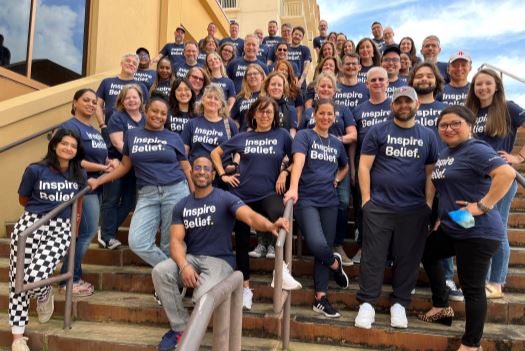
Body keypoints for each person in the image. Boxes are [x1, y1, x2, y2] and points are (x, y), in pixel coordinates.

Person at [151, 155, 290, 350]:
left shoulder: (224, 198)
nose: (201, 171)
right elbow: (175, 241)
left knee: (202, 297)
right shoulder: (182, 205)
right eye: (197, 168)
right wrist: (183, 266)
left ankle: (190, 340)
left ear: (213, 174)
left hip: (219, 261)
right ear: (191, 173)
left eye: (206, 169)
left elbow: (249, 216)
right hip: (192, 257)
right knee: (160, 272)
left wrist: (269, 225)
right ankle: (180, 328)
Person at [418, 105, 515, 351]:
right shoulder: (448, 152)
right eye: (443, 125)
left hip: (479, 228)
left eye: (455, 123)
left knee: (472, 287)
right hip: (458, 222)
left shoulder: (476, 149)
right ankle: (441, 306)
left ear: (469, 125)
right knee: (428, 253)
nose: (448, 128)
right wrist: (443, 214)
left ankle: (471, 345)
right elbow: (449, 187)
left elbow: (506, 173)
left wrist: (482, 205)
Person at [355, 86, 438, 330]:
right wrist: (366, 200)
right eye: (399, 101)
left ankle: (400, 303)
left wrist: (428, 204)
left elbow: (431, 172)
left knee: (408, 258)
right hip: (379, 205)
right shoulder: (377, 130)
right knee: (373, 256)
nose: (404, 105)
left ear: (417, 105)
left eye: (408, 101)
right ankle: (367, 303)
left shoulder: (428, 135)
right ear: (393, 105)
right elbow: (363, 167)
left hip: (414, 208)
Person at [211, 97, 301, 308]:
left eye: (269, 112)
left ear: (275, 115)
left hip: (268, 192)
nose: (264, 115)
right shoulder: (243, 137)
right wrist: (223, 174)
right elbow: (216, 153)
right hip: (242, 195)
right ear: (253, 114)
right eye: (260, 111)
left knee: (281, 217)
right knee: (241, 241)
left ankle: (282, 270)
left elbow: (297, 159)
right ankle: (245, 289)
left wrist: (285, 172)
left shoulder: (282, 135)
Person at [88, 96, 193, 268]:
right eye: (155, 111)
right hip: (147, 194)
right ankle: (177, 272)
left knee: (170, 243)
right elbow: (124, 166)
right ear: (146, 111)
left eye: (163, 113)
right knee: (137, 242)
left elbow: (187, 168)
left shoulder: (174, 137)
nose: (159, 116)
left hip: (175, 190)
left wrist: (195, 196)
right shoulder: (132, 135)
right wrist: (99, 181)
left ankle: (168, 286)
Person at [9, 129, 86, 351]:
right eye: (64, 144)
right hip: (30, 225)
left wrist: (75, 228)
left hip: (61, 228)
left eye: (73, 146)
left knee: (33, 277)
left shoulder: (78, 174)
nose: (68, 148)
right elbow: (24, 198)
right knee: (18, 280)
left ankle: (44, 294)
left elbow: (78, 204)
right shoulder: (35, 170)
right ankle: (17, 337)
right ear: (54, 145)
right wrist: (40, 214)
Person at [284, 99, 350, 318]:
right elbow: (299, 162)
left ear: (334, 117)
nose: (325, 117)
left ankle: (320, 298)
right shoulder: (305, 136)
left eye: (329, 114)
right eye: (322, 113)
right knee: (316, 243)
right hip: (307, 200)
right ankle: (334, 263)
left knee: (326, 244)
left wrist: (337, 179)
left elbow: (344, 166)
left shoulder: (337, 143)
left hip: (329, 200)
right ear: (315, 115)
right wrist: (293, 188)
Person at [465, 69, 525, 299]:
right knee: (479, 229)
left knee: (496, 229)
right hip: (476, 179)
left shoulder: (508, 107)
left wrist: (518, 157)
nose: (482, 88)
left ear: (497, 86)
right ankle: (482, 280)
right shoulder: (470, 110)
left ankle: (496, 282)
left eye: (487, 83)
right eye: (478, 84)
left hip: (501, 178)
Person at [59, 89, 115, 296]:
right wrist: (101, 169)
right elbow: (71, 158)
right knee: (86, 233)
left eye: (94, 102)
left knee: (83, 234)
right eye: (86, 101)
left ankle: (73, 276)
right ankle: (69, 280)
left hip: (95, 186)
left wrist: (107, 162)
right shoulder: (69, 127)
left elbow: (99, 156)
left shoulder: (93, 130)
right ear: (75, 103)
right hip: (81, 186)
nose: (91, 104)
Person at [299, 72, 357, 265]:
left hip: (337, 163)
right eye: (322, 86)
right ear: (316, 89)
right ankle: (323, 248)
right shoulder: (309, 112)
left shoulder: (344, 110)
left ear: (334, 90)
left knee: (342, 201)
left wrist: (333, 142)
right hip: (313, 165)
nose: (325, 89)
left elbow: (353, 135)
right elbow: (301, 136)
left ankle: (337, 244)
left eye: (329, 87)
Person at [350, 67, 393, 264]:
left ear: (388, 82)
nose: (377, 83)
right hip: (363, 166)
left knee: (388, 209)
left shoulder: (395, 107)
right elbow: (353, 143)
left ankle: (388, 253)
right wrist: (352, 167)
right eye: (373, 80)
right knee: (364, 208)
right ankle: (363, 248)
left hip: (389, 167)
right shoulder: (358, 109)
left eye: (380, 79)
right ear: (366, 84)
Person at [98, 84, 146, 250]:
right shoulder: (117, 117)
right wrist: (141, 157)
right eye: (127, 98)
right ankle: (107, 235)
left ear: (141, 99)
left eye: (135, 97)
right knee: (111, 199)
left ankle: (105, 228)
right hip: (117, 163)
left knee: (128, 203)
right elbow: (118, 143)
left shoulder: (146, 118)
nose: (131, 100)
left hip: (137, 168)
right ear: (122, 101)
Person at [181, 84, 238, 166]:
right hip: (198, 173)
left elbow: (238, 150)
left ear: (221, 104)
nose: (212, 101)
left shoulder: (230, 124)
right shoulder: (191, 123)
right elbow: (184, 152)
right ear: (203, 100)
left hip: (223, 174)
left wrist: (234, 165)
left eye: (216, 98)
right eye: (209, 97)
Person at [95, 53, 149, 129]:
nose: (131, 64)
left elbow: (146, 109)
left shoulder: (141, 86)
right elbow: (97, 105)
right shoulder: (107, 82)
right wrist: (102, 125)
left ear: (136, 69)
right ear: (121, 63)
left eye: (134, 63)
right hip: (110, 129)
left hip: (135, 131)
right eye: (128, 61)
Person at [261, 71, 298, 137]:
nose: (276, 87)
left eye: (279, 85)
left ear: (283, 89)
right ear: (267, 87)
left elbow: (292, 135)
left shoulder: (291, 110)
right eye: (273, 84)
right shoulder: (258, 107)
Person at [230, 64, 266, 131]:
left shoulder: (268, 96)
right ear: (246, 79)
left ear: (262, 77)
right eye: (249, 74)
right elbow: (232, 119)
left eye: (255, 73)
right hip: (244, 136)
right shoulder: (240, 98)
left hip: (263, 137)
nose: (252, 76)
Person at [288, 26, 312, 92]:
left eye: (300, 35)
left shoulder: (305, 49)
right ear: (292, 34)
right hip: (286, 83)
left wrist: (300, 81)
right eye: (296, 34)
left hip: (300, 85)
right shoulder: (285, 48)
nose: (297, 36)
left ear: (302, 38)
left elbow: (306, 66)